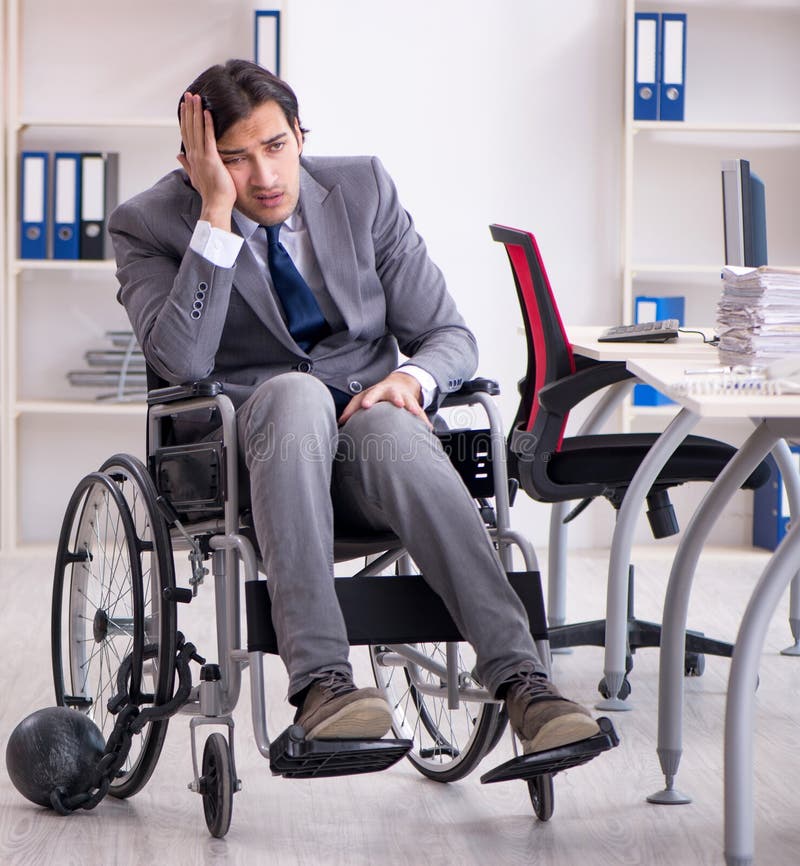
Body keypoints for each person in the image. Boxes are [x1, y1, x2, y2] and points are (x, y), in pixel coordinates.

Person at [109, 59, 602, 754]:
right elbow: (183, 363)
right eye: (234, 160)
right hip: (253, 466)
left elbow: (449, 336)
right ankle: (323, 688)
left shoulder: (362, 189)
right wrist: (214, 216)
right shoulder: (148, 224)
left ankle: (525, 682)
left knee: (391, 427)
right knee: (295, 391)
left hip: (371, 460)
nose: (265, 177)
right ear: (196, 163)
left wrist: (415, 381)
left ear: (301, 136)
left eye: (276, 147)